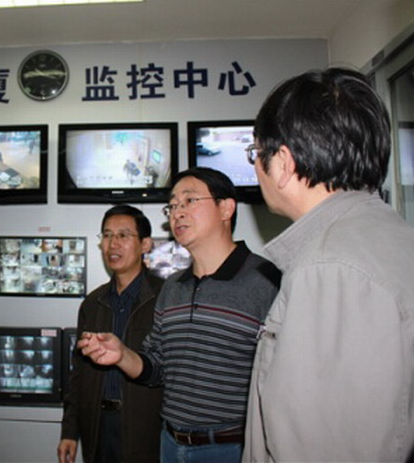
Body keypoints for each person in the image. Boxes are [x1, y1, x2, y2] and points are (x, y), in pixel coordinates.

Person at [242, 68, 414, 462]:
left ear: (283, 163)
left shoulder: (329, 269)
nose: (255, 167)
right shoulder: (394, 235)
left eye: (255, 153)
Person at [79, 168, 280, 463]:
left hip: (232, 448)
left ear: (226, 208)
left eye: (189, 201)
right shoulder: (173, 287)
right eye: (172, 205)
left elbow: (286, 378)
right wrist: (122, 355)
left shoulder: (266, 280)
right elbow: (157, 367)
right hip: (170, 444)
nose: (177, 212)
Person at [58, 204, 165, 463]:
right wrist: (70, 431)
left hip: (148, 429)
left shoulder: (165, 297)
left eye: (123, 235)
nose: (112, 244)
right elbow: (78, 374)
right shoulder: (93, 303)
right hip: (97, 425)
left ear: (145, 244)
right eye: (107, 235)